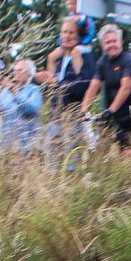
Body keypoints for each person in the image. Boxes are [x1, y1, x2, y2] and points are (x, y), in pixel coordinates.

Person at [38, 17, 97, 167]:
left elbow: (85, 86)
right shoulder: (58, 59)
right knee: (52, 166)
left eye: (71, 32)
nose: (67, 36)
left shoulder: (85, 57)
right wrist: (49, 66)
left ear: (78, 36)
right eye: (64, 32)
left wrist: (57, 83)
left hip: (73, 119)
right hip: (55, 118)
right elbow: (51, 90)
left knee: (71, 166)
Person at [82, 24, 131, 147]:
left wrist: (111, 110)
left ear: (120, 41)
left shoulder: (128, 60)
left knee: (130, 153)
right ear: (102, 45)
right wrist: (84, 111)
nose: (111, 45)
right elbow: (93, 87)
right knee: (103, 148)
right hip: (115, 114)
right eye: (107, 42)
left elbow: (126, 88)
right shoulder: (102, 62)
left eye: (114, 41)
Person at [0, 59, 45, 155]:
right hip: (10, 146)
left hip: (30, 145)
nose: (15, 73)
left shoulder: (34, 90)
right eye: (15, 70)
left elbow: (33, 111)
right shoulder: (5, 92)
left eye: (20, 70)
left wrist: (15, 94)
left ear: (29, 74)